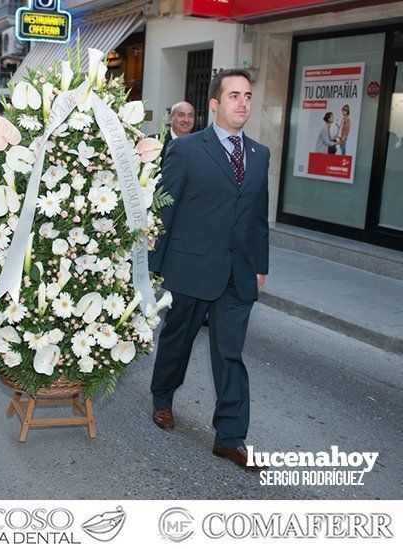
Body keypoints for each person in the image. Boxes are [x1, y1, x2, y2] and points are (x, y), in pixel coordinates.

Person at [148, 68, 270, 470]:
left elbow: (256, 216)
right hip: (191, 267)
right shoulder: (186, 150)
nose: (242, 103)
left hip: (238, 273)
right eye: (234, 95)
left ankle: (230, 437)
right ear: (214, 104)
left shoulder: (259, 155)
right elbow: (165, 209)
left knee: (230, 354)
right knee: (178, 340)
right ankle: (163, 397)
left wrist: (260, 265)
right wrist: (154, 266)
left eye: (248, 96)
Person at [160, 101, 195, 168]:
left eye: (190, 116)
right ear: (171, 118)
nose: (186, 120)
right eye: (181, 115)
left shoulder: (200, 144)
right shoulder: (155, 142)